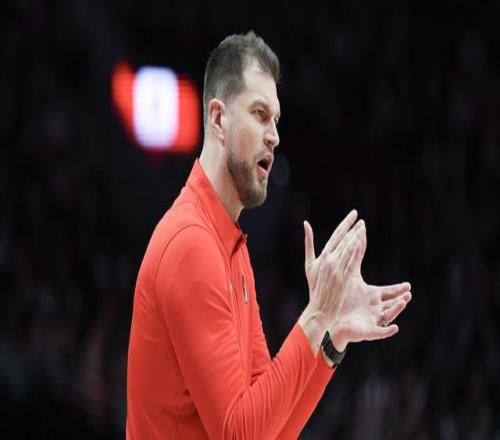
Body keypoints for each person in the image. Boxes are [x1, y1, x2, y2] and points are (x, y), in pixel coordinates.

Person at [126, 31, 412, 439]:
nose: (274, 136)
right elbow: (240, 435)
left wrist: (331, 337)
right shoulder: (191, 244)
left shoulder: (231, 248)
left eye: (276, 120)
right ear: (218, 119)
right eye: (260, 114)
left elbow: (270, 430)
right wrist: (316, 315)